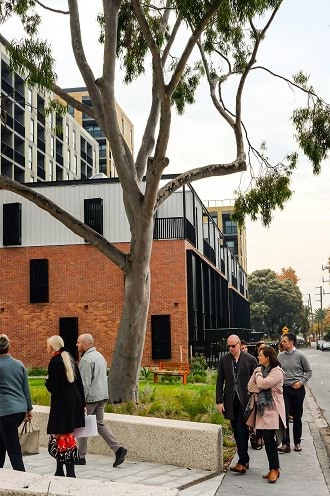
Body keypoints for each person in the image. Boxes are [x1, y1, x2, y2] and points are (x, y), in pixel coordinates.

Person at [75, 333, 127, 468]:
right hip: (102, 396)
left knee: (82, 424)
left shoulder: (86, 360)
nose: (77, 345)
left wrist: (81, 402)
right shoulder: (100, 356)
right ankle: (118, 449)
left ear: (85, 344)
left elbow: (84, 384)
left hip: (91, 398)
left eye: (78, 342)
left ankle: (80, 456)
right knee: (99, 423)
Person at [216, 334, 258, 474]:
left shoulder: (250, 360)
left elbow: (257, 380)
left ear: (239, 344)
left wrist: (255, 397)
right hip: (230, 400)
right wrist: (219, 401)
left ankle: (242, 461)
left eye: (233, 346)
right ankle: (244, 460)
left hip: (245, 400)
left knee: (242, 429)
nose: (231, 348)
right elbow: (219, 381)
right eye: (228, 346)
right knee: (237, 429)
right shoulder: (224, 360)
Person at [45, 335, 85, 478]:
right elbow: (79, 383)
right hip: (74, 402)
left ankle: (66, 470)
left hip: (62, 404)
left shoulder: (55, 362)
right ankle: (63, 469)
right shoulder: (70, 359)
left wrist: (46, 382)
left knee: (61, 435)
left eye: (48, 345)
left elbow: (54, 388)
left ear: (52, 346)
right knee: (67, 435)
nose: (47, 348)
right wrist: (83, 404)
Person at [247, 346, 286, 483]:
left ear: (268, 358)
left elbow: (263, 384)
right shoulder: (261, 370)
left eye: (261, 355)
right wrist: (261, 382)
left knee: (269, 437)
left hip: (273, 408)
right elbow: (250, 387)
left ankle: (275, 469)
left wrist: (258, 375)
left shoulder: (277, 371)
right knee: (267, 439)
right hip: (263, 409)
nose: (258, 357)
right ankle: (273, 468)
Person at [0, 334, 33, 471]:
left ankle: (21, 476)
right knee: (1, 442)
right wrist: (29, 409)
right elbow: (26, 388)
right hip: (19, 410)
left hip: (4, 411)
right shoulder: (19, 364)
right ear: (9, 347)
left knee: (12, 447)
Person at [277, 331, 312, 453]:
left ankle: (297, 442)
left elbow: (308, 371)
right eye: (282, 341)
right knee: (284, 415)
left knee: (297, 416)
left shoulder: (300, 355)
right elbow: (276, 370)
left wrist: (301, 382)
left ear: (291, 342)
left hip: (297, 389)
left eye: (284, 341)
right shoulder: (280, 356)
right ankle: (286, 443)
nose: (282, 343)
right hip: (284, 389)